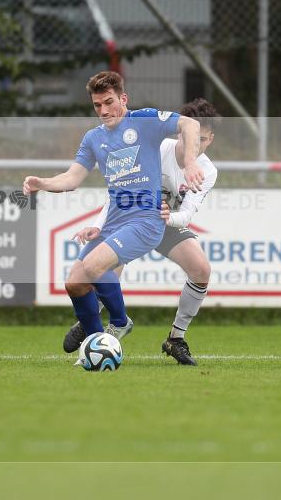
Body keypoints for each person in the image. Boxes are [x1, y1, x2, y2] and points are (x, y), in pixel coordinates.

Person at [23, 71, 204, 351]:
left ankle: (119, 322)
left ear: (123, 98)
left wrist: (190, 162)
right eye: (97, 105)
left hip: (146, 219)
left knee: (94, 267)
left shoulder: (143, 121)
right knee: (75, 282)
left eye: (109, 102)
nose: (104, 110)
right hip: (114, 221)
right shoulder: (93, 138)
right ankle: (98, 345)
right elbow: (72, 178)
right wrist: (43, 183)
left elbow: (190, 124)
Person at [65, 98, 220, 366]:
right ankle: (94, 322)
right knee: (102, 269)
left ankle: (176, 338)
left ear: (210, 140)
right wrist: (99, 226)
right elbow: (118, 197)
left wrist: (167, 217)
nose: (196, 145)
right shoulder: (157, 150)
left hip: (167, 223)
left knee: (202, 270)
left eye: (203, 140)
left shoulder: (207, 170)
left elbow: (187, 213)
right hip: (131, 220)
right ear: (180, 133)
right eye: (192, 138)